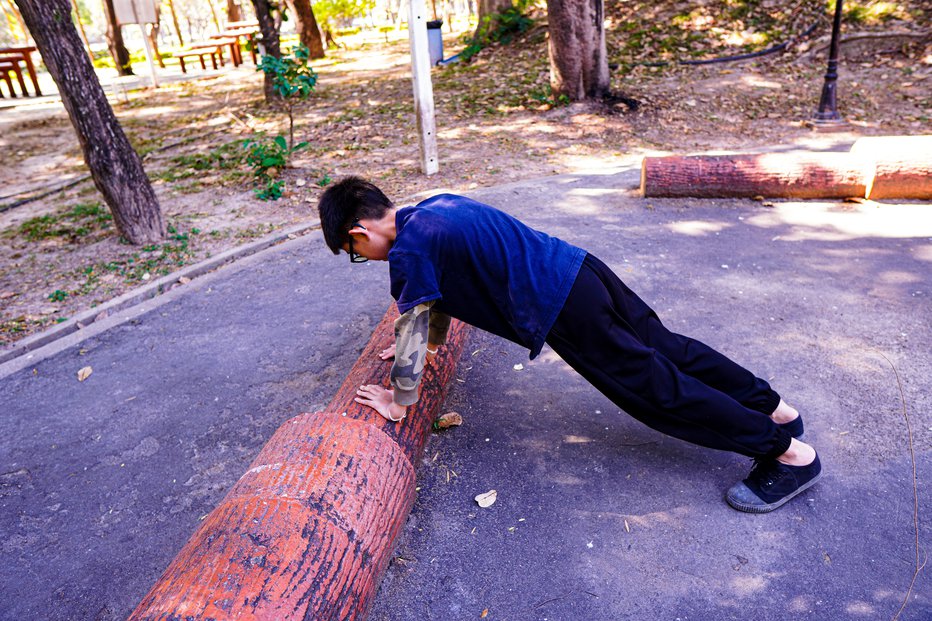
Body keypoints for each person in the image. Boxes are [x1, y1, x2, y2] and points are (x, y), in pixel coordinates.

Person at [317, 176, 822, 514]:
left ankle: (787, 454)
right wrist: (426, 346)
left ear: (359, 231)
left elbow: (417, 314)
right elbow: (434, 303)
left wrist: (398, 400)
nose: (366, 259)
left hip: (562, 309)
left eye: (355, 253)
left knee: (655, 391)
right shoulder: (435, 206)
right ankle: (776, 410)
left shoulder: (409, 250)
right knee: (669, 348)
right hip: (582, 270)